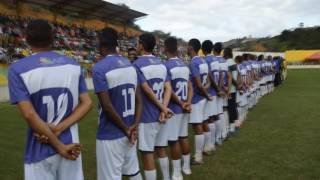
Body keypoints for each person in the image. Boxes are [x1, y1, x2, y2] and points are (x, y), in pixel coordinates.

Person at [8, 20, 92, 180]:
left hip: (38, 147)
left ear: (26, 38)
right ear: (53, 38)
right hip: (71, 143)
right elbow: (87, 103)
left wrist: (58, 145)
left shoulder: (17, 69)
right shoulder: (73, 64)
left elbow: (30, 115)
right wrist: (60, 129)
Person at [92, 27, 143, 180]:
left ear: (101, 45)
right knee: (133, 173)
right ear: (116, 44)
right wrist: (135, 125)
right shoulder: (130, 65)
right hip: (130, 129)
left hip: (111, 133)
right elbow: (139, 100)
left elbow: (107, 107)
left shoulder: (99, 68)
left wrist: (127, 129)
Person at [133, 33, 173, 180]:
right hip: (162, 115)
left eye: (138, 43)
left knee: (147, 152)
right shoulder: (161, 63)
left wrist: (162, 108)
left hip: (146, 116)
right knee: (161, 148)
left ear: (142, 45)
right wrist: (164, 108)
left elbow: (147, 90)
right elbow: (168, 88)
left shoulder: (137, 64)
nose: (136, 46)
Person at [163, 37, 193, 179]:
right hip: (185, 107)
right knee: (184, 136)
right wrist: (188, 102)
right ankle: (186, 167)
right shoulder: (184, 65)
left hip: (174, 108)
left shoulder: (167, 66)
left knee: (173, 140)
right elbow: (190, 87)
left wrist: (181, 103)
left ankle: (176, 172)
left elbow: (169, 90)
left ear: (165, 48)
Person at [188, 38, 212, 164]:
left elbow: (198, 84)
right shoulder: (203, 61)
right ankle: (207, 147)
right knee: (204, 123)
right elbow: (207, 82)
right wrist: (206, 92)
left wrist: (204, 92)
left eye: (187, 46)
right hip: (202, 97)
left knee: (197, 126)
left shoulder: (193, 63)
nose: (186, 48)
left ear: (191, 48)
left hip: (197, 99)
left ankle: (198, 157)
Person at [202, 40, 220, 152]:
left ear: (203, 50)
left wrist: (217, 88)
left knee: (208, 119)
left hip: (210, 92)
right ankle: (213, 141)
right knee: (213, 117)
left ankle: (209, 145)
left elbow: (210, 77)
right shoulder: (216, 59)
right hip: (216, 91)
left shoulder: (206, 60)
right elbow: (221, 74)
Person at [224, 47, 239, 133]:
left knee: (230, 108)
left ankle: (231, 127)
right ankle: (235, 124)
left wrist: (236, 84)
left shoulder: (227, 63)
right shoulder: (234, 62)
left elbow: (231, 77)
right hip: (233, 88)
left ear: (226, 53)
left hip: (229, 88)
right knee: (233, 107)